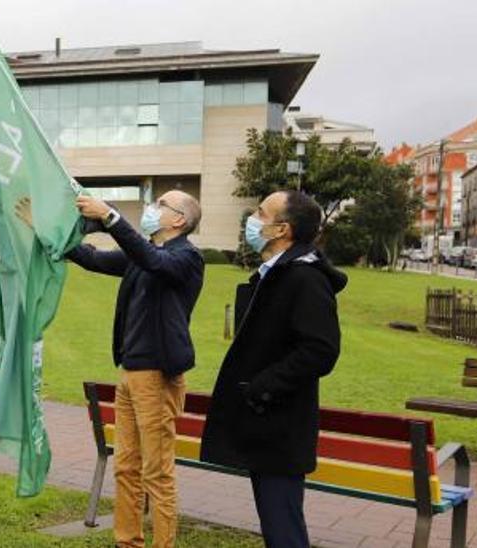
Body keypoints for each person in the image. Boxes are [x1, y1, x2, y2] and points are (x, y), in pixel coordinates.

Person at [201, 190, 346, 548]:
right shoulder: (275, 274)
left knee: (283, 530)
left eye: (260, 213)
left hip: (280, 425)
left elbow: (320, 349)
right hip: (265, 422)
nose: (252, 219)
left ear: (282, 229)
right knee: (276, 526)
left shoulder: (305, 278)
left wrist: (263, 386)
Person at [65, 191, 205, 548]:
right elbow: (92, 258)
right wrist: (53, 232)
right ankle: (127, 541)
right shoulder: (144, 256)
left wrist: (111, 218)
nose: (152, 208)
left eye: (161, 205)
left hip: (157, 375)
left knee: (156, 471)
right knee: (126, 466)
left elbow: (152, 259)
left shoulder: (187, 257)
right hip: (130, 371)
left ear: (179, 220)